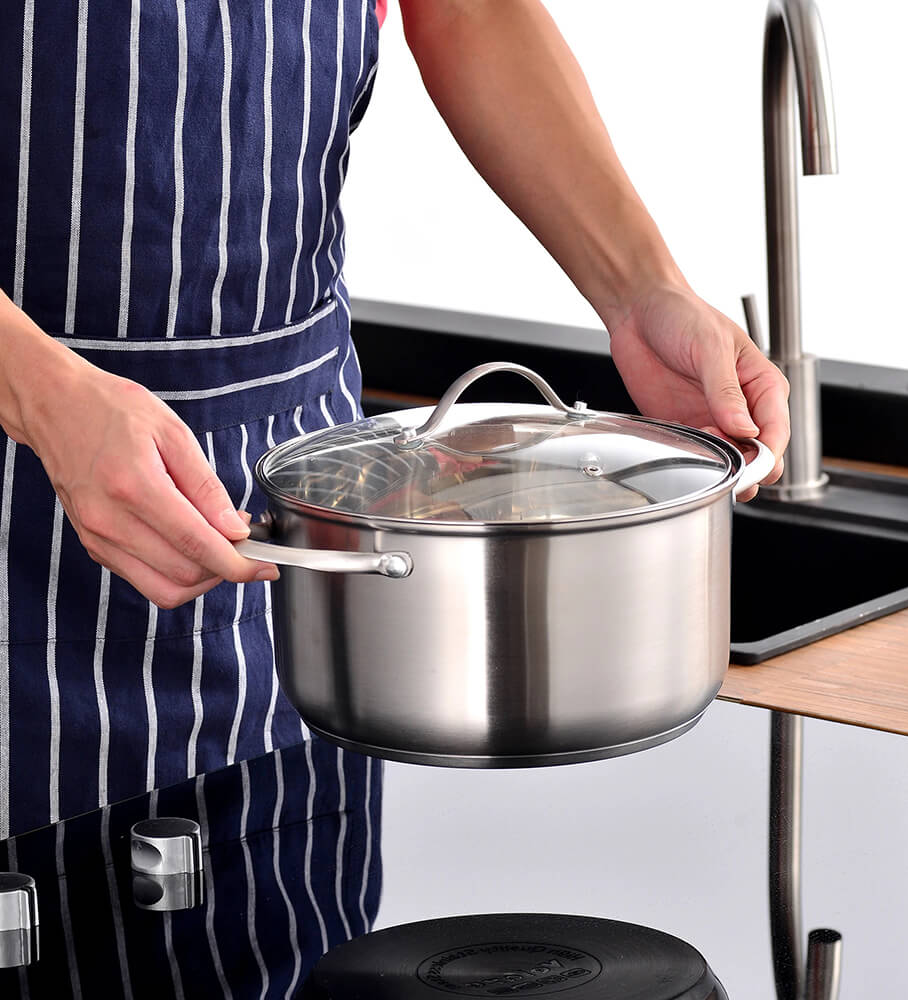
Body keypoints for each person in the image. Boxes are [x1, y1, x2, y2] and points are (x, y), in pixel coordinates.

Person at [0, 0, 788, 971]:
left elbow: (472, 12)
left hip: (307, 518)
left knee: (290, 939)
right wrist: (36, 388)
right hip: (15, 491)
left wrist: (640, 290)